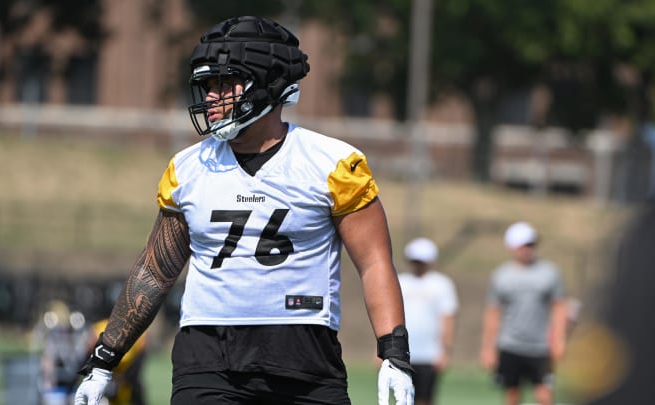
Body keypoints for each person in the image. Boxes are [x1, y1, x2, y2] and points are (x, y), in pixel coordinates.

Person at [73, 15, 413, 405]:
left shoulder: (332, 164)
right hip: (207, 358)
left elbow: (374, 263)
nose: (212, 97)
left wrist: (394, 352)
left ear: (268, 84)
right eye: (207, 85)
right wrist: (104, 358)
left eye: (224, 84)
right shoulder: (188, 168)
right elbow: (155, 270)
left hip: (303, 356)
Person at [479, 221, 568, 405]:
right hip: (510, 345)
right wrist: (488, 347)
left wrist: (559, 339)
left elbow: (559, 307)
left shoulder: (549, 273)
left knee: (544, 396)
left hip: (540, 346)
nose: (528, 249)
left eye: (531, 244)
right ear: (512, 246)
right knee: (512, 396)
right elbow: (493, 313)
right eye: (524, 245)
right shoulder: (501, 275)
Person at [398, 238, 458, 405]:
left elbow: (447, 318)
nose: (418, 264)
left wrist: (445, 351)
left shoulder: (441, 284)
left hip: (429, 354)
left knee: (425, 399)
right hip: (402, 354)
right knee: (401, 398)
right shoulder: (400, 282)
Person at [85, 319, 148, 405]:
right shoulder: (98, 330)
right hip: (105, 371)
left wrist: (125, 377)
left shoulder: (137, 334)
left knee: (135, 389)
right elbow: (89, 357)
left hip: (126, 371)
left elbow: (139, 358)